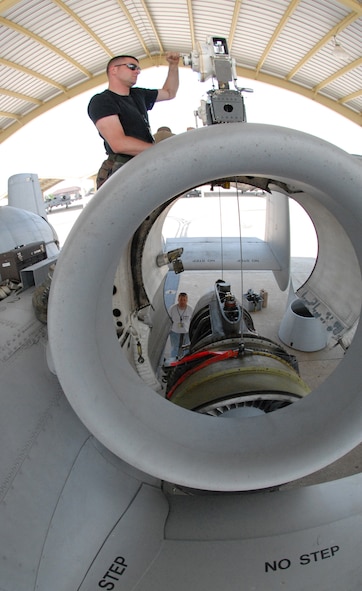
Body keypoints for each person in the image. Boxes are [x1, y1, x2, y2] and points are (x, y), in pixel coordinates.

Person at [88, 52, 180, 188]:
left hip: (143, 164)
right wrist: (161, 151)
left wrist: (173, 65)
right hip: (121, 169)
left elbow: (169, 92)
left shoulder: (138, 95)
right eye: (132, 67)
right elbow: (119, 144)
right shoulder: (102, 101)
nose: (137, 71)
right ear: (114, 69)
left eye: (138, 69)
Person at [168, 292, 193, 359]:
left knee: (186, 347)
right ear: (178, 300)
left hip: (186, 331)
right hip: (174, 331)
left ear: (187, 300)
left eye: (184, 300)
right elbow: (169, 319)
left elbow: (192, 319)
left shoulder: (190, 309)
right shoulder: (172, 308)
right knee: (174, 347)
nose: (182, 302)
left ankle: (185, 359)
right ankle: (173, 360)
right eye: (181, 300)